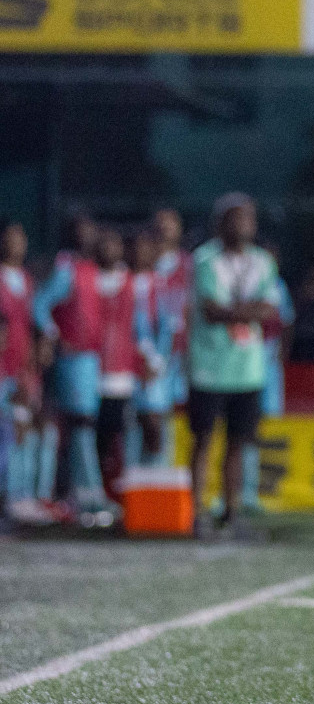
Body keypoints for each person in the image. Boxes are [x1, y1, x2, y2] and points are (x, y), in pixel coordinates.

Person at [188, 194, 281, 537]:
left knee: (239, 443)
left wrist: (236, 311)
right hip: (209, 364)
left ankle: (232, 512)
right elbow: (211, 311)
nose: (246, 225)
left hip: (248, 367)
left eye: (250, 218)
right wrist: (248, 310)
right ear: (221, 223)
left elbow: (270, 310)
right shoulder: (205, 260)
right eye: (238, 218)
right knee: (204, 439)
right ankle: (197, 513)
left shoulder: (263, 262)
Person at [33, 213, 115, 526]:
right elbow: (41, 304)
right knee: (80, 424)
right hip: (73, 359)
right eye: (83, 231)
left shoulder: (93, 271)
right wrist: (55, 335)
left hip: (92, 360)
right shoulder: (67, 270)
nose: (90, 236)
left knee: (86, 425)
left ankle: (83, 494)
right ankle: (88, 496)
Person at [93, 227, 152, 493]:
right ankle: (92, 490)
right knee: (94, 433)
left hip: (121, 371)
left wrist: (149, 358)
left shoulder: (129, 281)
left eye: (114, 243)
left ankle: (127, 486)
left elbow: (140, 326)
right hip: (89, 370)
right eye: (105, 243)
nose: (110, 249)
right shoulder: (86, 277)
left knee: (123, 430)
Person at [0, 222, 48, 525]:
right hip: (2, 368)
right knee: (5, 433)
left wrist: (29, 369)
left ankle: (20, 497)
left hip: (22, 368)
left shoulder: (28, 281)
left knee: (22, 432)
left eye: (20, 239)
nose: (16, 244)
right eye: (9, 239)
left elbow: (29, 326)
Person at [241, 243, 293, 513]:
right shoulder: (244, 285)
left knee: (258, 426)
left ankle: (251, 488)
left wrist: (280, 355)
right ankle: (236, 489)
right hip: (240, 363)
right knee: (239, 427)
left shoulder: (278, 287)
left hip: (266, 365)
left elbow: (285, 323)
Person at [128, 227, 177, 468]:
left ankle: (158, 476)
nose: (140, 252)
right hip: (129, 364)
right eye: (135, 246)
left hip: (156, 365)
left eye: (146, 247)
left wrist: (156, 360)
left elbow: (166, 326)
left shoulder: (160, 285)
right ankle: (132, 479)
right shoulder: (124, 282)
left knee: (155, 421)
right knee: (132, 420)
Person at [152, 208, 192, 411]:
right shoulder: (144, 264)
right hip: (153, 349)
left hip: (182, 349)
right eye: (161, 225)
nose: (165, 230)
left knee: (182, 407)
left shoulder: (189, 265)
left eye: (170, 225)